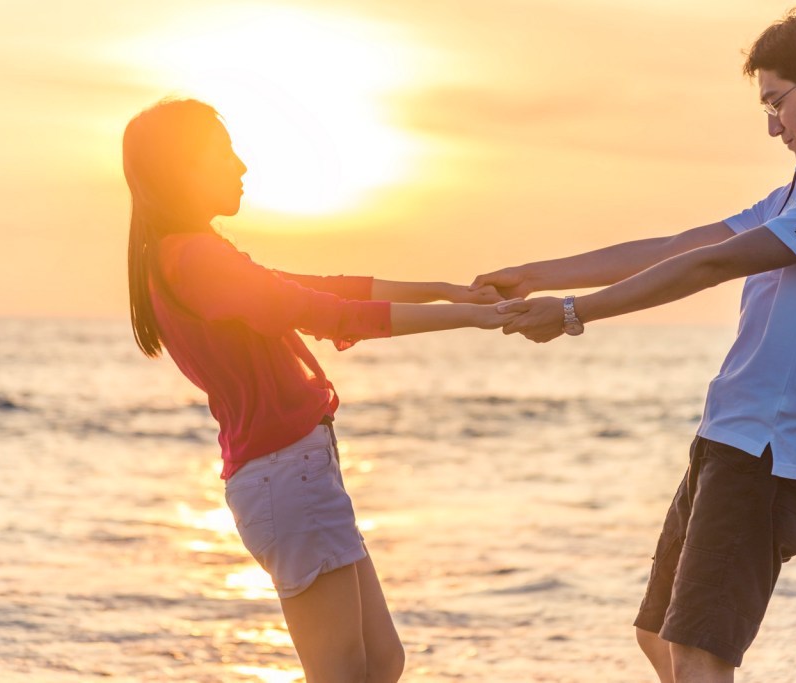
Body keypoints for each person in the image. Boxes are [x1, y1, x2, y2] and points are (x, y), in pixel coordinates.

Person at [472, 5, 796, 682]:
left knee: (701, 656)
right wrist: (538, 274)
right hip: (729, 437)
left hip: (770, 453)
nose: (771, 126)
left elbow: (710, 267)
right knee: (658, 635)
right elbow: (683, 246)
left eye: (776, 104)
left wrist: (574, 313)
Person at [122, 97, 512, 683]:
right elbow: (326, 312)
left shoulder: (187, 257)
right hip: (287, 478)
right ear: (183, 169)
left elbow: (315, 287)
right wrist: (472, 318)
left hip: (296, 474)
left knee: (381, 662)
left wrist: (445, 291)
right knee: (344, 674)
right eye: (223, 153)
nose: (242, 166)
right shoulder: (195, 260)